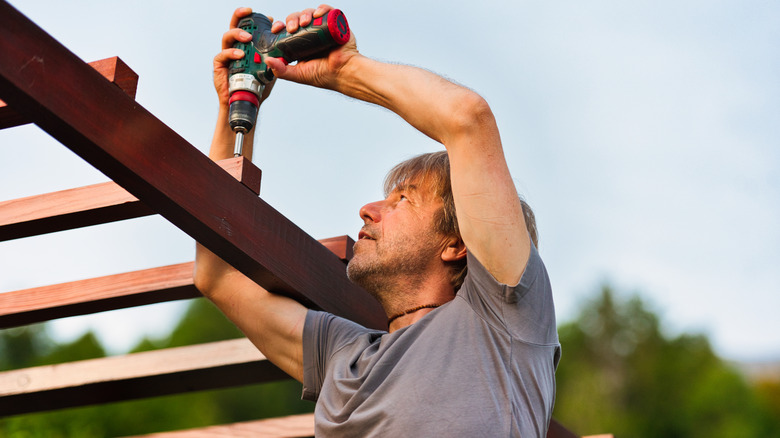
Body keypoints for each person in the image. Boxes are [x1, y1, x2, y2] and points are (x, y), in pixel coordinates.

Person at [194, 5, 560, 437]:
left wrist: (348, 69)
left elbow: (467, 119)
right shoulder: (341, 356)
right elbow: (217, 276)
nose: (368, 209)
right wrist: (234, 107)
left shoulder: (502, 319)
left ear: (456, 243)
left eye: (403, 199)